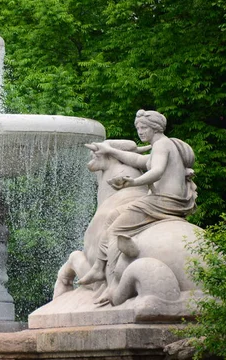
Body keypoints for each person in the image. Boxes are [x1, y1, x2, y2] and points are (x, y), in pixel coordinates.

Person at [78, 110, 197, 289]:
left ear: (155, 128)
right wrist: (110, 150)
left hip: (164, 202)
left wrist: (132, 182)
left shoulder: (161, 145)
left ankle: (113, 284)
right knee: (112, 216)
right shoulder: (164, 146)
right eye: (138, 128)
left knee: (114, 230)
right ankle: (98, 267)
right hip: (165, 200)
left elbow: (156, 171)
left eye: (143, 128)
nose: (140, 132)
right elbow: (138, 160)